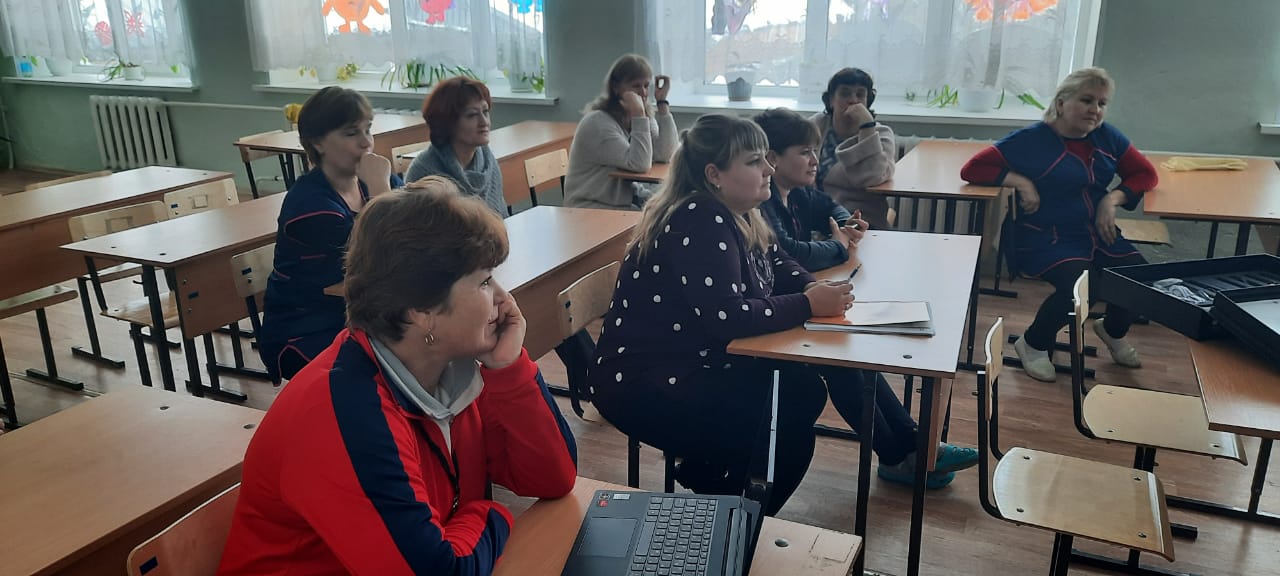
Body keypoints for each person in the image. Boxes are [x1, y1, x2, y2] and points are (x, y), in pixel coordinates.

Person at [588, 114, 977, 517]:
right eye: (754, 161)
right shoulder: (700, 217)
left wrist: (811, 289)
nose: (769, 169)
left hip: (697, 362)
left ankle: (719, 485)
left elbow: (779, 262)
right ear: (714, 175)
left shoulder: (740, 212)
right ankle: (729, 520)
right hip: (648, 384)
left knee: (802, 391)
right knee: (789, 426)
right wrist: (810, 305)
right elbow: (728, 318)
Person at [219, 179, 578, 574]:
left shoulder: (451, 372)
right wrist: (492, 514)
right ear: (421, 310)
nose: (502, 297)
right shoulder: (344, 412)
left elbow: (554, 478)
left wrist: (508, 370)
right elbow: (438, 570)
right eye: (483, 281)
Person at [960, 67, 1158, 382]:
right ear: (1062, 103)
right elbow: (973, 168)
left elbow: (1146, 174)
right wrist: (1022, 182)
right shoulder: (1031, 139)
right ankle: (1033, 344)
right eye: (1086, 100)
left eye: (1102, 103)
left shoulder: (1108, 137)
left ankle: (1112, 330)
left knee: (1140, 278)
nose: (1095, 110)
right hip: (1042, 235)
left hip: (1095, 232)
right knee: (1082, 287)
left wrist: (1112, 200)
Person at [258, 86, 403, 381]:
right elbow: (382, 260)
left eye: (368, 129)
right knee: (402, 359)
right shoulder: (310, 206)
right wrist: (381, 188)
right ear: (318, 142)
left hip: (357, 319)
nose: (366, 142)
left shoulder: (370, 184)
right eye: (351, 133)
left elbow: (417, 232)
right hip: (305, 332)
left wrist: (382, 188)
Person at [754, 107, 867, 271]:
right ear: (773, 158)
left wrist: (847, 226)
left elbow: (832, 208)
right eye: (805, 152)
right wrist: (838, 244)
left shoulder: (798, 191)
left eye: (815, 151)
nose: (815, 161)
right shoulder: (762, 200)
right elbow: (790, 253)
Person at [564, 53, 678, 209]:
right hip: (590, 205)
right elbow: (639, 164)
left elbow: (665, 154)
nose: (643, 93)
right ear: (616, 88)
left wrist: (662, 103)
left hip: (622, 200)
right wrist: (639, 115)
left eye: (646, 86)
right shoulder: (598, 123)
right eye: (636, 86)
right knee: (655, 217)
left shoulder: (640, 116)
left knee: (671, 208)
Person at [405, 76, 507, 215]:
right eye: (472, 115)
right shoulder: (423, 172)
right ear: (448, 122)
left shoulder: (488, 162)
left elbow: (500, 219)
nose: (484, 122)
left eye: (485, 112)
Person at [811, 68, 897, 230]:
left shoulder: (881, 134)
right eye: (845, 94)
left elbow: (872, 177)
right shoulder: (817, 125)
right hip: (815, 216)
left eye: (860, 95)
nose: (853, 100)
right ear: (831, 100)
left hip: (861, 219)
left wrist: (867, 127)